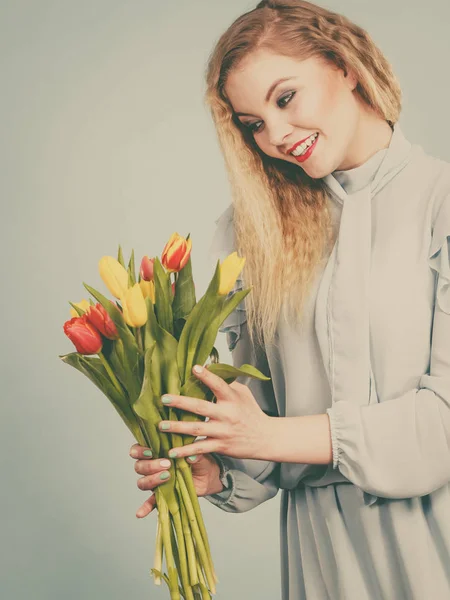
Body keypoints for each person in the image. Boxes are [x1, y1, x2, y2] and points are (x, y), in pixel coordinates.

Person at [129, 1, 450, 598]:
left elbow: (444, 424)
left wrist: (268, 438)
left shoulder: (440, 201)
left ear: (344, 65)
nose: (275, 136)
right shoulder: (252, 234)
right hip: (323, 554)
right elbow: (264, 431)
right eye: (252, 123)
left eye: (285, 98)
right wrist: (217, 466)